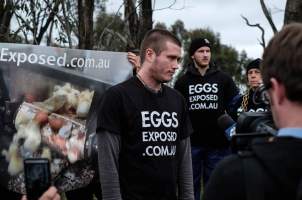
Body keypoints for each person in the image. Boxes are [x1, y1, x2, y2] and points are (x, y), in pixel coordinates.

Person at [203, 23, 302, 200]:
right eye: (250, 73)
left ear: (276, 92)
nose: (253, 76)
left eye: (258, 72)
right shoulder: (240, 99)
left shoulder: (232, 176)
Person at [97, 29, 194, 200]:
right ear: (149, 54)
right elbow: (108, 164)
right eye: (171, 57)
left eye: (178, 59)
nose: (176, 65)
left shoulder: (177, 100)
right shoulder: (117, 97)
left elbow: (185, 160)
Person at [174, 37, 239, 200]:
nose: (205, 55)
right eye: (200, 51)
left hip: (218, 144)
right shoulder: (182, 82)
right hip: (192, 144)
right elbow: (178, 112)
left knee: (216, 187)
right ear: (192, 56)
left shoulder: (224, 79)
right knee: (189, 187)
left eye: (208, 51)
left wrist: (232, 131)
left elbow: (236, 106)